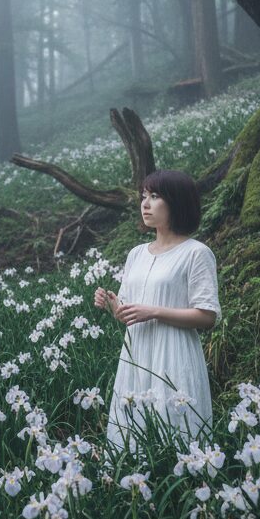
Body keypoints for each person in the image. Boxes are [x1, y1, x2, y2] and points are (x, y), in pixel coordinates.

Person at [93, 169, 221, 453]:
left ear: (176, 202)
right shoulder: (136, 254)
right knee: (132, 434)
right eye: (143, 197)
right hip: (136, 354)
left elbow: (207, 316)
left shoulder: (196, 253)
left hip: (174, 354)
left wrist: (154, 312)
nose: (145, 204)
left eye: (154, 196)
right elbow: (127, 314)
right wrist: (112, 304)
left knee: (176, 432)